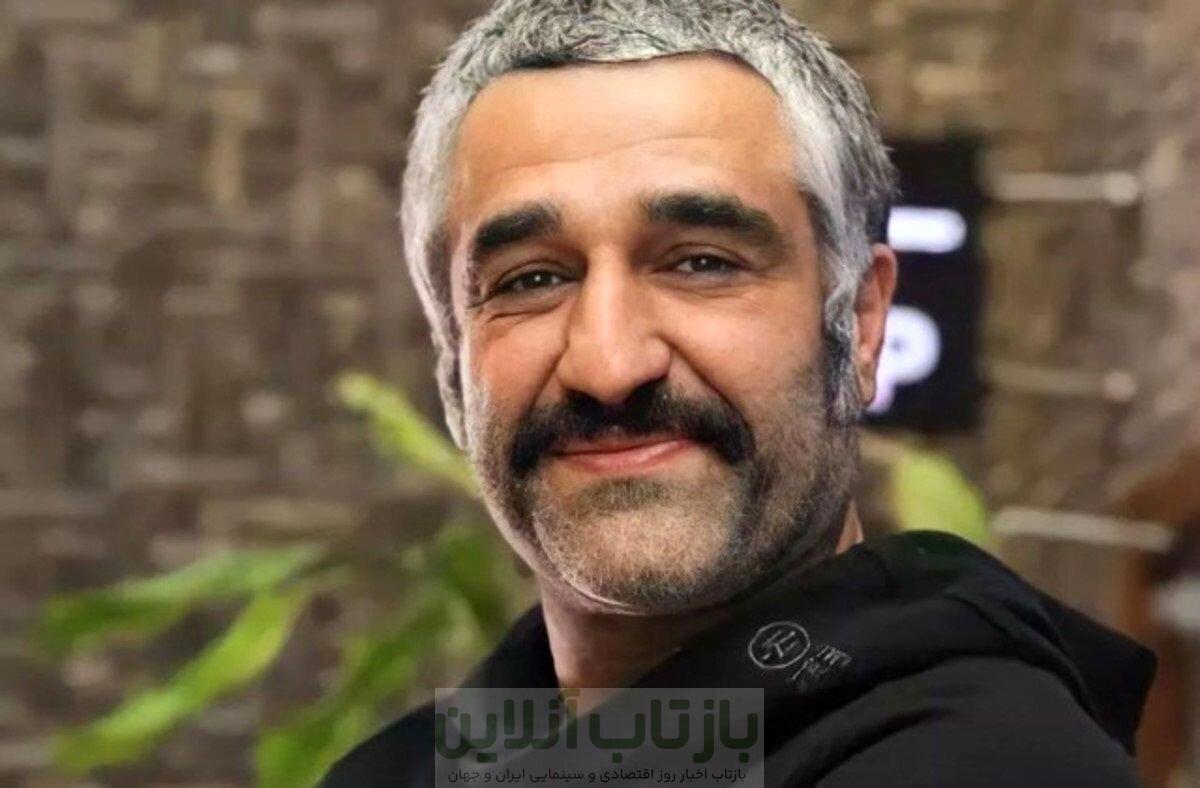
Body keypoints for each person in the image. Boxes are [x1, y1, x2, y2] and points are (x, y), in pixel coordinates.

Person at [324, 1, 1156, 785]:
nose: (609, 363)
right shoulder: (401, 771)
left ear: (861, 324)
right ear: (451, 363)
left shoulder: (986, 764)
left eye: (701, 263)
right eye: (532, 279)